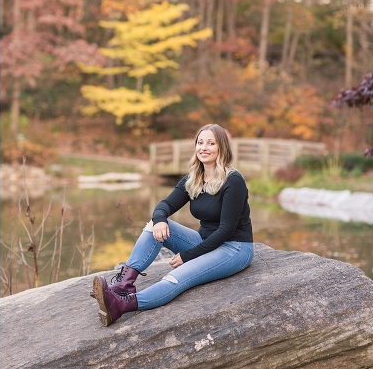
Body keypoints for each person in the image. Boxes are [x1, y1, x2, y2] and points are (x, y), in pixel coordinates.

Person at [92, 123, 254, 326]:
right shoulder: (194, 178)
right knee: (154, 225)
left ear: (222, 147)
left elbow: (226, 230)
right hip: (205, 241)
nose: (204, 147)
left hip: (234, 248)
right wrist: (159, 220)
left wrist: (188, 256)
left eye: (211, 143)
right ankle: (123, 285)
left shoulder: (233, 181)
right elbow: (165, 205)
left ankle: (123, 305)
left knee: (177, 275)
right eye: (200, 142)